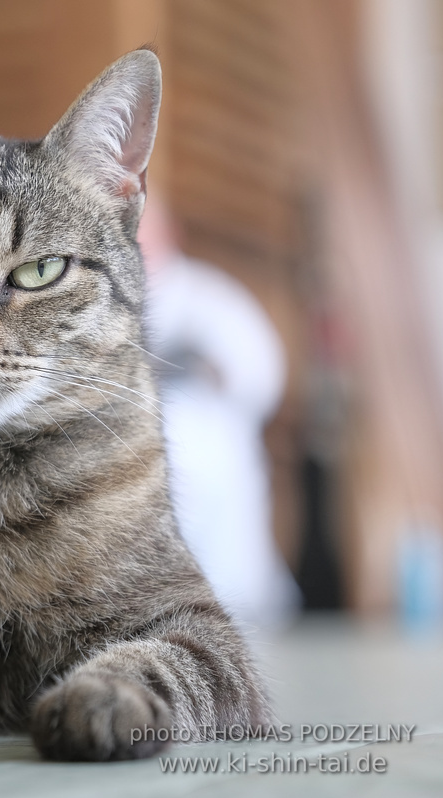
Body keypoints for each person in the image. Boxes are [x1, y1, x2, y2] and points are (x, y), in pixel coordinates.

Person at [139, 197, 301, 629]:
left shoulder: (213, 300)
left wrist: (205, 367)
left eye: (146, 233)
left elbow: (262, 377)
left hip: (219, 494)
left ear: (171, 237)